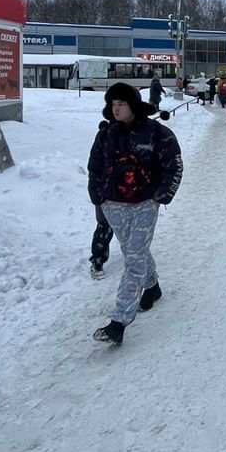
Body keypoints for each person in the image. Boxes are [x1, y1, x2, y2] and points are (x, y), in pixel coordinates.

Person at [86, 82, 184, 346]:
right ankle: (152, 287)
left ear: (133, 106)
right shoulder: (106, 135)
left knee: (135, 257)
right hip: (113, 204)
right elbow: (94, 166)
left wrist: (159, 197)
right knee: (133, 250)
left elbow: (174, 166)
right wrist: (98, 195)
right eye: (113, 104)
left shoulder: (157, 133)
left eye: (121, 104)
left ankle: (119, 321)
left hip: (143, 203)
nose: (116, 109)